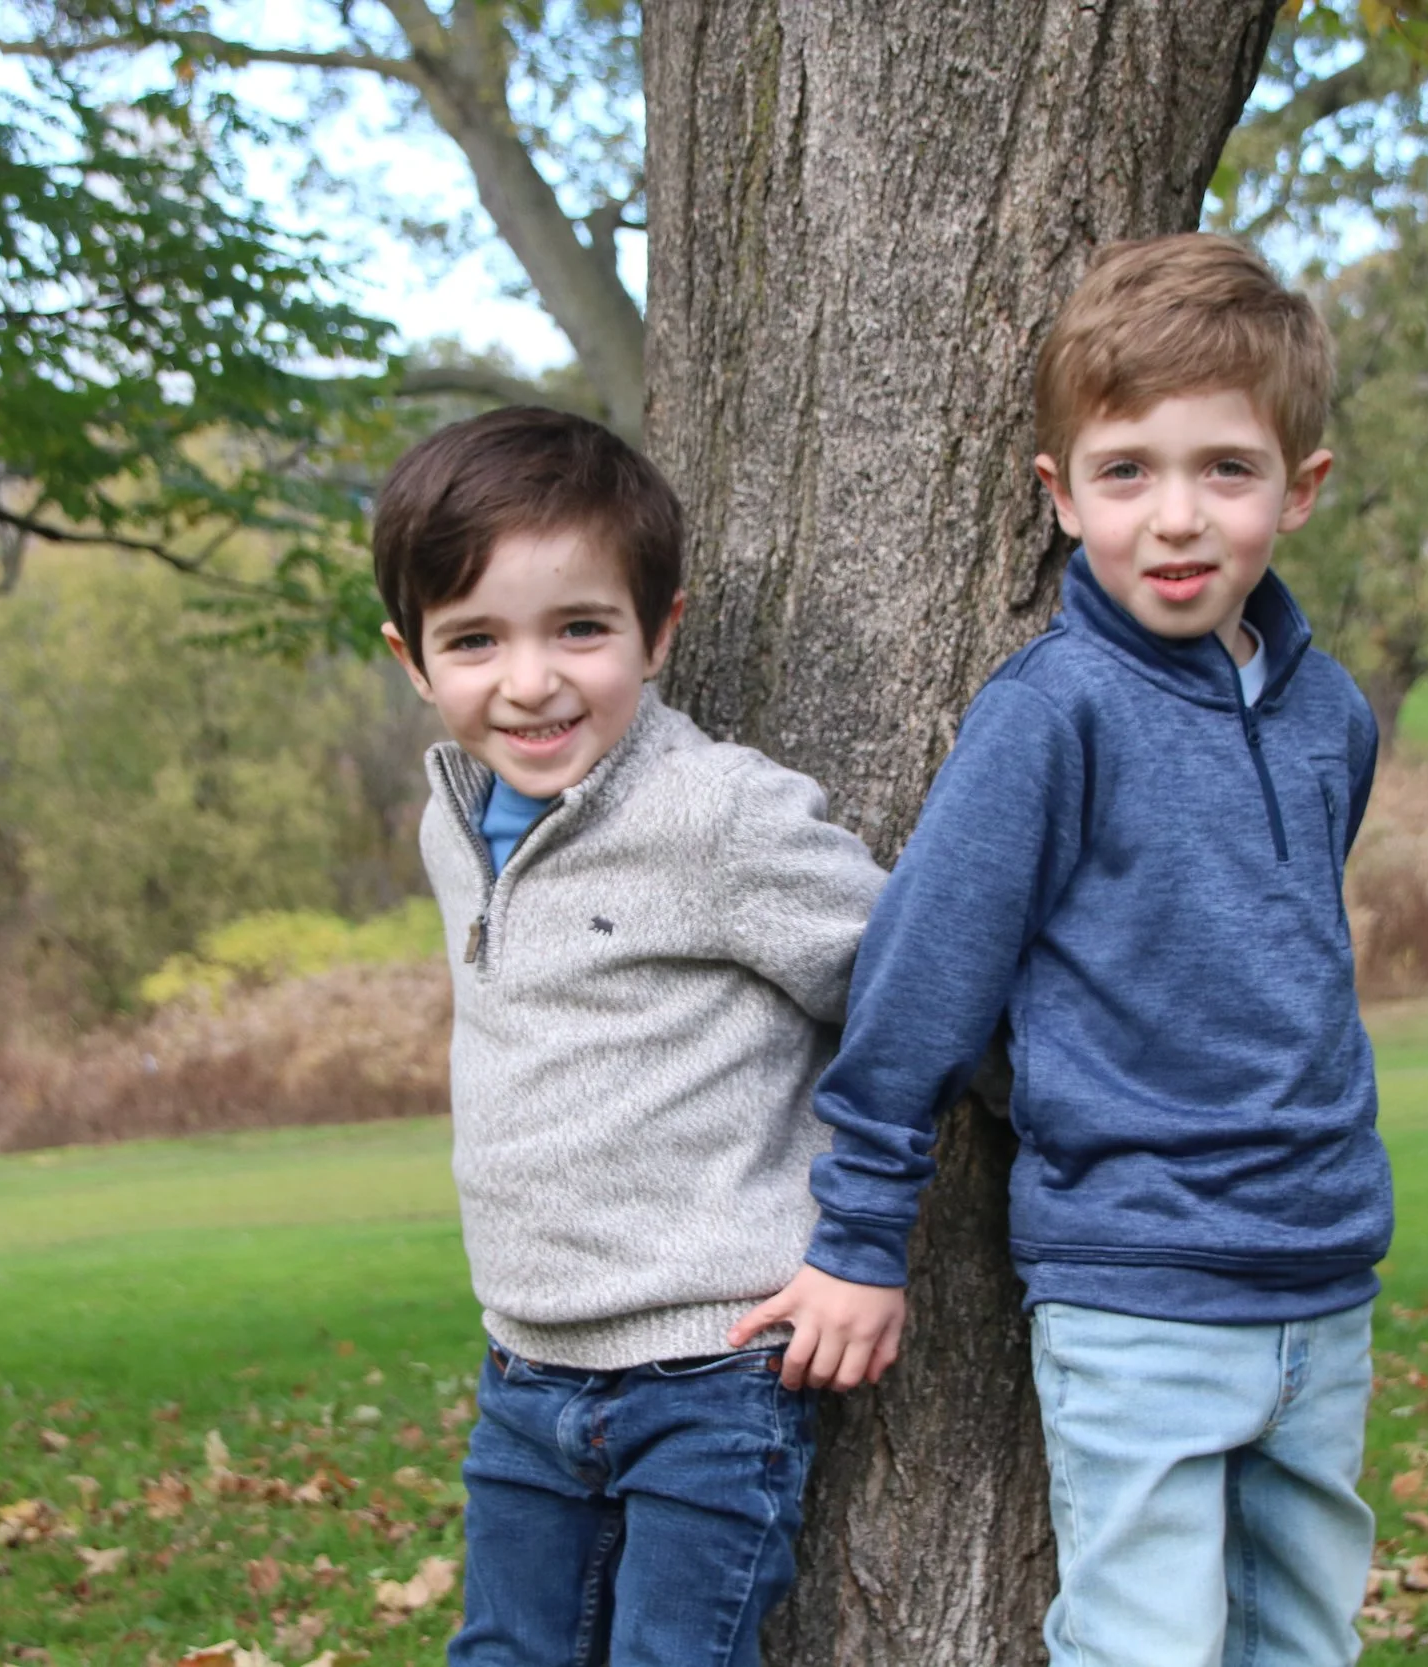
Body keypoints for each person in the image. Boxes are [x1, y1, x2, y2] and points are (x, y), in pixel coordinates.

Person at [737, 233, 1388, 1667]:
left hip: (1324, 1268)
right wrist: (857, 1235)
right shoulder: (1053, 715)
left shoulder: (1330, 714)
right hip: (1140, 1274)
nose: (1177, 517)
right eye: (1127, 471)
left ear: (1302, 487)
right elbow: (920, 980)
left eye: (1226, 469)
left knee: (1307, 1636)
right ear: (1060, 491)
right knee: (1145, 1643)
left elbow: (1274, 955)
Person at [374, 405, 888, 1667]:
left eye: (580, 628)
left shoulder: (716, 813)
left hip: (711, 1373)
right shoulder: (453, 821)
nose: (531, 678)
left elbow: (911, 994)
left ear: (659, 629)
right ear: (412, 658)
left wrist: (869, 1237)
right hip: (526, 1365)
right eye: (476, 639)